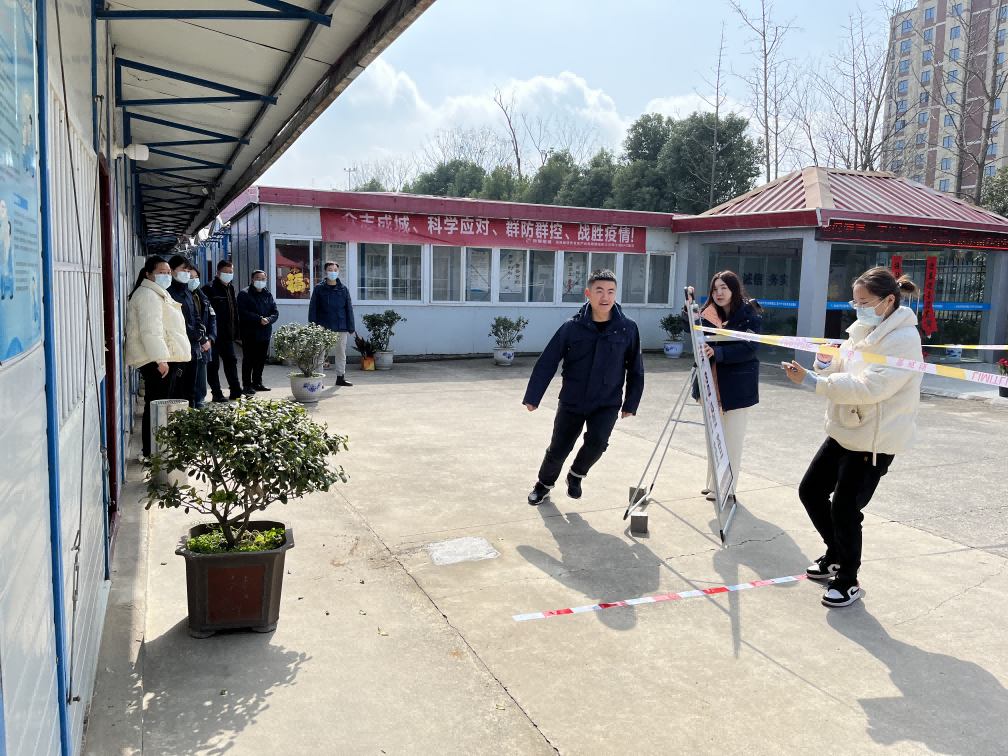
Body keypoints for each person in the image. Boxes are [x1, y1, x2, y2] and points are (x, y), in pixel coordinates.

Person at [784, 268, 922, 608]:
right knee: (811, 491)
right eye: (855, 301)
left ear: (888, 301)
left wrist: (813, 382)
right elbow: (844, 368)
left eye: (864, 302)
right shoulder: (861, 329)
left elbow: (872, 387)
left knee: (845, 508)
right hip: (845, 428)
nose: (858, 308)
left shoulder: (904, 339)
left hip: (875, 438)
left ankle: (848, 578)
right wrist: (824, 364)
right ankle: (835, 554)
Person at [523, 269, 645, 504]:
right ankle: (543, 484)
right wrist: (533, 396)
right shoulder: (572, 327)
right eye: (599, 291)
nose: (605, 297)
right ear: (588, 294)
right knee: (559, 448)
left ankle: (576, 475)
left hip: (607, 401)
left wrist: (631, 403)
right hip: (573, 399)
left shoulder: (627, 328)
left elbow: (635, 368)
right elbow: (548, 361)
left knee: (598, 444)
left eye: (610, 292)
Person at [685, 272, 762, 504]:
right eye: (715, 289)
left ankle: (727, 488)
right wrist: (688, 308)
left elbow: (750, 348)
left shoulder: (748, 314)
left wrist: (717, 352)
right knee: (713, 437)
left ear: (734, 289)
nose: (719, 293)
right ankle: (713, 483)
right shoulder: (708, 312)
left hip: (737, 386)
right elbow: (689, 328)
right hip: (710, 383)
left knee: (732, 439)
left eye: (724, 288)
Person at [124, 255, 190, 457]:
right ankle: (151, 453)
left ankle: (156, 451)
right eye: (162, 272)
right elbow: (150, 330)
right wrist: (161, 359)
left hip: (160, 357)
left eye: (169, 272)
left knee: (159, 405)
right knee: (156, 406)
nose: (167, 275)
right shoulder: (147, 295)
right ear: (148, 274)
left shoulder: (156, 292)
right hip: (155, 359)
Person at [166, 255, 208, 405]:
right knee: (179, 391)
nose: (187, 274)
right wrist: (198, 336)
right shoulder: (168, 292)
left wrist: (201, 332)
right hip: (178, 350)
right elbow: (177, 322)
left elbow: (196, 315)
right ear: (172, 271)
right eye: (183, 270)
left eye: (188, 271)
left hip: (193, 350)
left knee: (191, 389)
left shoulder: (186, 292)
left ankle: (190, 416)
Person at [308, 260, 355, 387]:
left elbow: (349, 309)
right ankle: (318, 379)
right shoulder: (319, 288)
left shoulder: (343, 289)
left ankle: (340, 377)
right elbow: (313, 309)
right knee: (319, 354)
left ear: (338, 272)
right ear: (325, 272)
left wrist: (351, 327)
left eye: (335, 270)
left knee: (341, 353)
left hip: (340, 325)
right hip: (322, 326)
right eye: (330, 270)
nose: (333, 272)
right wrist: (313, 327)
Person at [203, 259, 243, 402]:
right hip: (213, 336)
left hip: (228, 335)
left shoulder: (231, 288)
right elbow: (205, 313)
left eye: (231, 272)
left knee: (231, 363)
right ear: (218, 272)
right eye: (225, 272)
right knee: (213, 365)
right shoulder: (209, 289)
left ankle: (236, 391)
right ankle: (217, 393)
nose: (228, 274)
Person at [237, 269, 278, 394]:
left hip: (264, 332)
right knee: (249, 360)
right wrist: (258, 319)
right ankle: (247, 385)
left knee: (260, 359)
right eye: (258, 278)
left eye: (263, 279)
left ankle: (257, 383)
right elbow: (243, 312)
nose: (261, 281)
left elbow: (275, 312)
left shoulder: (267, 294)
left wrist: (269, 319)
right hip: (250, 333)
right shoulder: (244, 294)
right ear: (252, 279)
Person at [185, 262, 216, 408]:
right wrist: (200, 339)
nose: (193, 280)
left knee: (201, 377)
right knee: (190, 379)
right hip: (190, 343)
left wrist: (210, 339)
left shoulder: (202, 296)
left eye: (196, 277)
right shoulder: (181, 296)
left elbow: (212, 318)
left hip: (204, 343)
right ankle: (191, 406)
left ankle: (200, 403)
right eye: (190, 277)